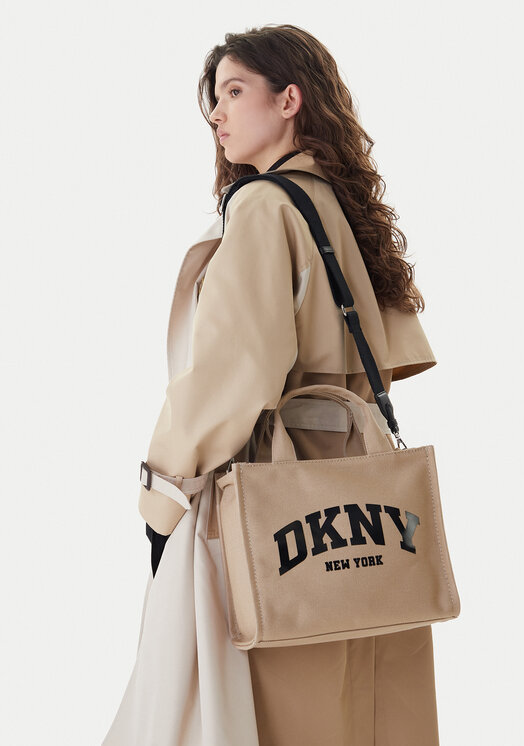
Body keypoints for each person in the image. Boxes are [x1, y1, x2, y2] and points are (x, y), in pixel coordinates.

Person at [102, 23, 441, 746]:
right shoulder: (335, 205)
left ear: (289, 99)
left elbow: (233, 374)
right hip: (362, 489)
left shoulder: (262, 205)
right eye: (214, 98)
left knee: (260, 701)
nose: (216, 114)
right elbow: (383, 353)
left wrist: (162, 494)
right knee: (353, 695)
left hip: (278, 500)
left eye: (233, 91)